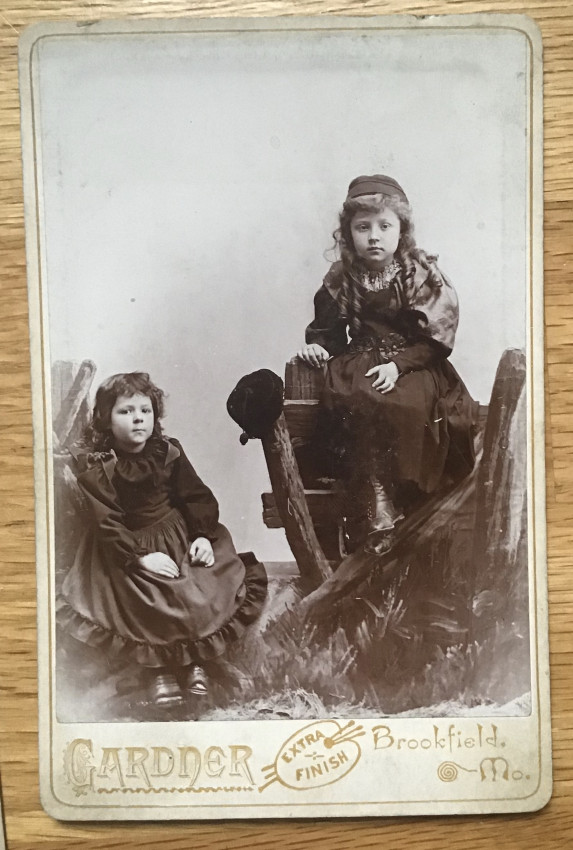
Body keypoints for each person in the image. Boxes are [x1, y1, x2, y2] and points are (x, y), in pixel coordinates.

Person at [56, 372, 267, 708]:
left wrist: (201, 537)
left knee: (195, 586)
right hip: (126, 544)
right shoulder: (100, 466)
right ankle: (159, 674)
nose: (138, 418)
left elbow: (196, 496)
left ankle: (195, 664)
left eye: (145, 410)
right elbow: (106, 521)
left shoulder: (168, 452)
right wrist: (138, 556)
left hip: (177, 534)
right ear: (106, 419)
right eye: (125, 411)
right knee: (146, 596)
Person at [298, 174, 477, 555]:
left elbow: (435, 339)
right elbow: (328, 333)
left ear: (402, 231)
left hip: (413, 363)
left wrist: (397, 365)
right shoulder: (341, 279)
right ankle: (375, 503)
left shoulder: (418, 273)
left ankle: (408, 502)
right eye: (363, 228)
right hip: (359, 358)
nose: (374, 236)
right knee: (355, 394)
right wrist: (318, 347)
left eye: (384, 226)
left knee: (406, 403)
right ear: (348, 235)